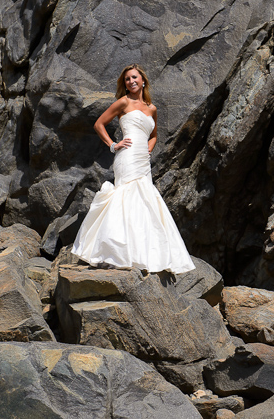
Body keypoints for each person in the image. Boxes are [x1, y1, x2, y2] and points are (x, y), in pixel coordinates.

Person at [71, 64, 196, 274]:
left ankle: (142, 254)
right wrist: (113, 145)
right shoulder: (123, 102)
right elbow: (99, 124)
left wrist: (148, 148)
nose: (131, 81)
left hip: (142, 160)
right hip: (126, 156)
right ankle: (114, 251)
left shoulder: (151, 108)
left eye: (134, 77)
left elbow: (154, 134)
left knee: (145, 200)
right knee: (127, 195)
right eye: (127, 79)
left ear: (143, 80)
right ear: (125, 84)